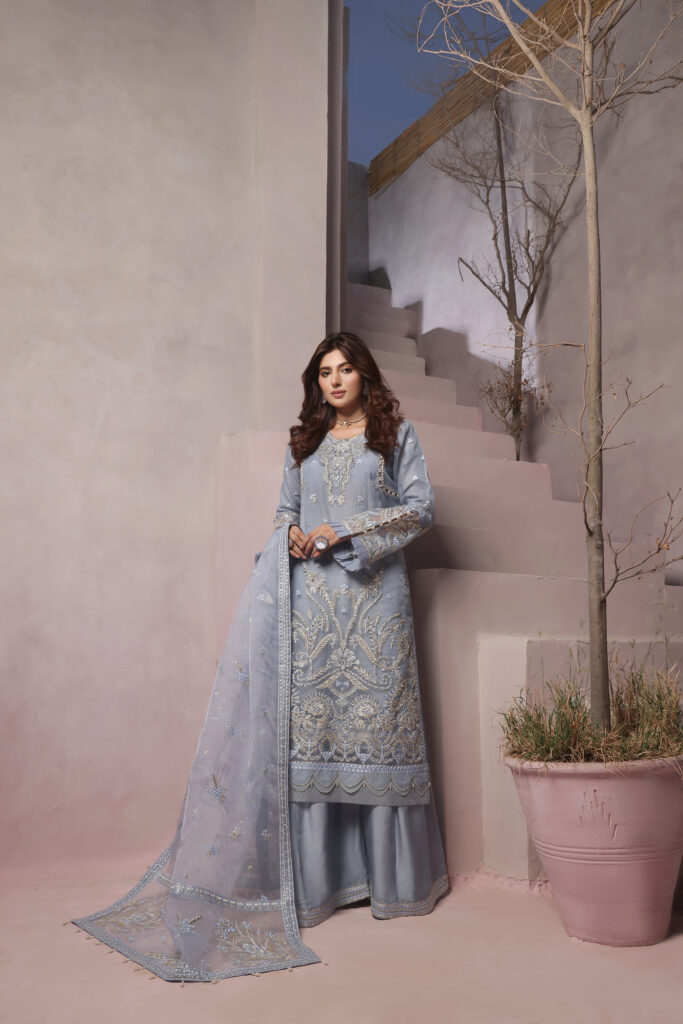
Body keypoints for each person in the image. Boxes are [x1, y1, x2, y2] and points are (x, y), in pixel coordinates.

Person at [71, 331, 449, 981]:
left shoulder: (396, 436)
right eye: (325, 372)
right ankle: (318, 887)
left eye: (345, 369)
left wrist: (347, 529)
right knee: (314, 737)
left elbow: (420, 510)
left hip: (375, 607)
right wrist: (293, 534)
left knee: (377, 734)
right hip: (311, 605)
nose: (335, 380)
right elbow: (282, 515)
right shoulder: (303, 443)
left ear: (365, 375)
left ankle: (392, 884)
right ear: (316, 382)